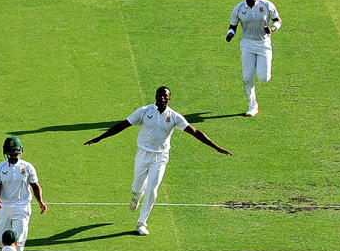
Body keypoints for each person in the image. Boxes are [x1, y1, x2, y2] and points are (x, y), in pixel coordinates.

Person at [83, 86, 232, 235]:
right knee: (137, 187)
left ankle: (141, 223)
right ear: (155, 96)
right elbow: (122, 125)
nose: (161, 98)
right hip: (143, 154)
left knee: (152, 190)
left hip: (160, 157)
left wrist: (216, 147)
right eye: (159, 95)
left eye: (165, 96)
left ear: (169, 98)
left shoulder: (174, 116)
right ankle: (136, 195)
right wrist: (99, 138)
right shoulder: (144, 111)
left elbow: (195, 132)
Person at [227, 0, 282, 116]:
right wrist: (230, 34)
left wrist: (272, 29)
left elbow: (277, 20)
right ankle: (253, 105)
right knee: (247, 77)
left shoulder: (266, 5)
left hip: (263, 44)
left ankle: (261, 70)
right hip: (247, 44)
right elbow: (232, 26)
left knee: (264, 78)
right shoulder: (239, 8)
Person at [0, 136, 47, 251]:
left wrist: (40, 202)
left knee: (18, 240)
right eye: (11, 151)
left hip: (22, 205)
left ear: (20, 150)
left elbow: (35, 186)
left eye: (16, 150)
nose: (13, 153)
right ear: (5, 152)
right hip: (4, 206)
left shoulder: (28, 167)